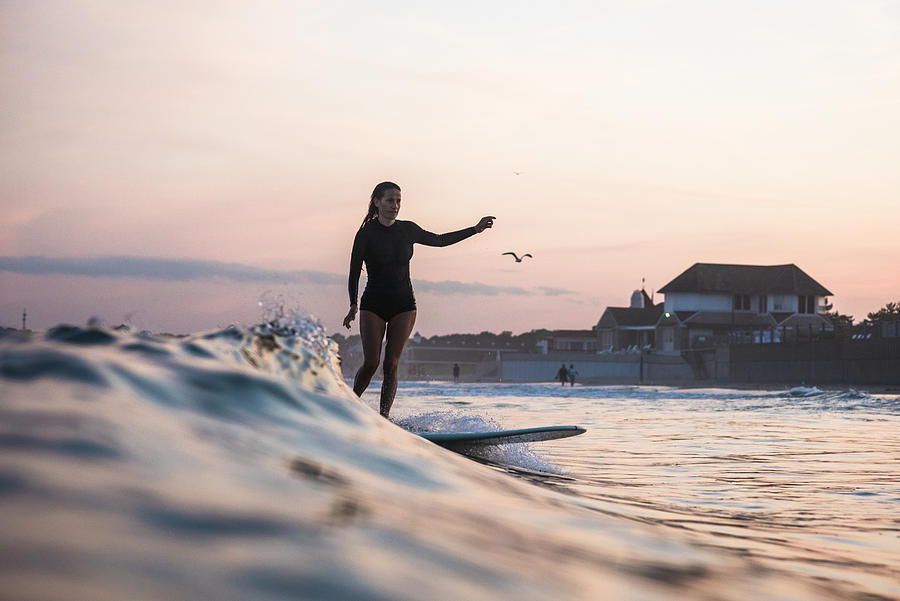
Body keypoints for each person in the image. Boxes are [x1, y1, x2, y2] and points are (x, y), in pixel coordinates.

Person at [343, 181, 494, 418]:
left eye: (398, 201)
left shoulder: (407, 230)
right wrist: (353, 304)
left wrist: (474, 229)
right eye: (390, 200)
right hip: (373, 303)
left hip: (404, 304)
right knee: (371, 362)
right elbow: (353, 271)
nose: (395, 205)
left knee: (391, 364)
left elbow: (440, 240)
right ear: (377, 202)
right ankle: (348, 408)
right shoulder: (366, 234)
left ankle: (384, 419)